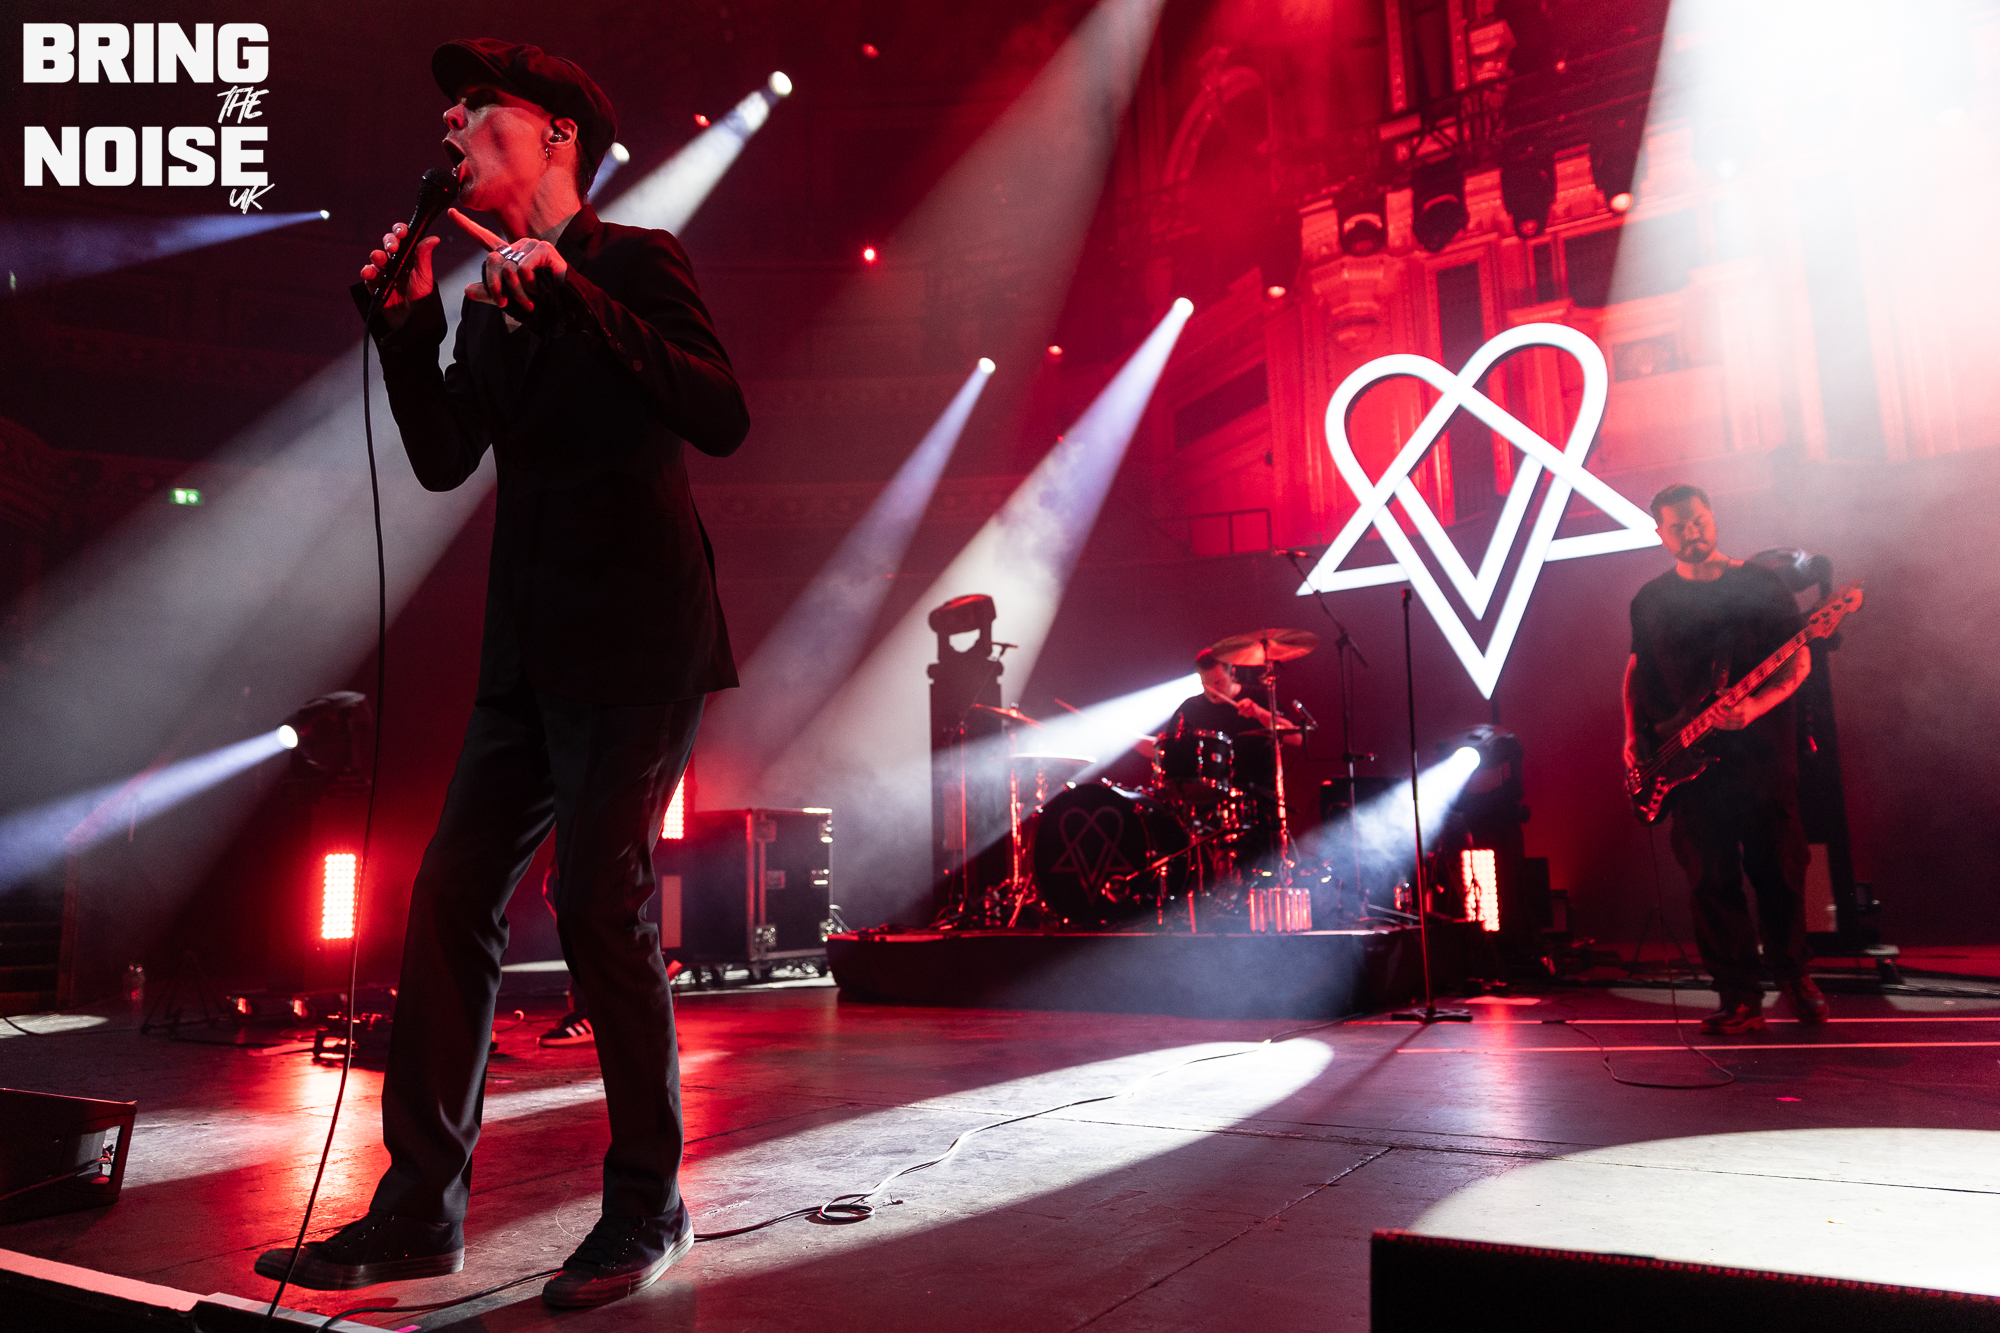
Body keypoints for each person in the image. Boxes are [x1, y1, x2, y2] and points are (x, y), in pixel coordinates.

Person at [254, 39, 747, 1308]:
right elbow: (441, 458)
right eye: (449, 116)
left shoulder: (635, 260)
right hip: (525, 650)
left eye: (478, 112)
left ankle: (648, 1204)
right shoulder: (484, 299)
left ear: (558, 134)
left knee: (597, 902)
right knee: (448, 895)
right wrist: (406, 327)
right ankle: (419, 1210)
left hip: (637, 642)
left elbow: (717, 412)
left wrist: (575, 297)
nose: (453, 130)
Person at [1624, 484, 1829, 1035]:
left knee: (1781, 872)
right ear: (1660, 534)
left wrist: (1756, 705)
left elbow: (1799, 660)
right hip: (1685, 762)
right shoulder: (1650, 600)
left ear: (1712, 517)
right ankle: (1738, 996)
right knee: (1710, 881)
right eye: (1677, 526)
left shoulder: (1762, 584)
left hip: (1762, 757)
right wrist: (1631, 736)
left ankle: (1795, 977)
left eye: (1697, 521)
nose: (1690, 532)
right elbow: (1637, 672)